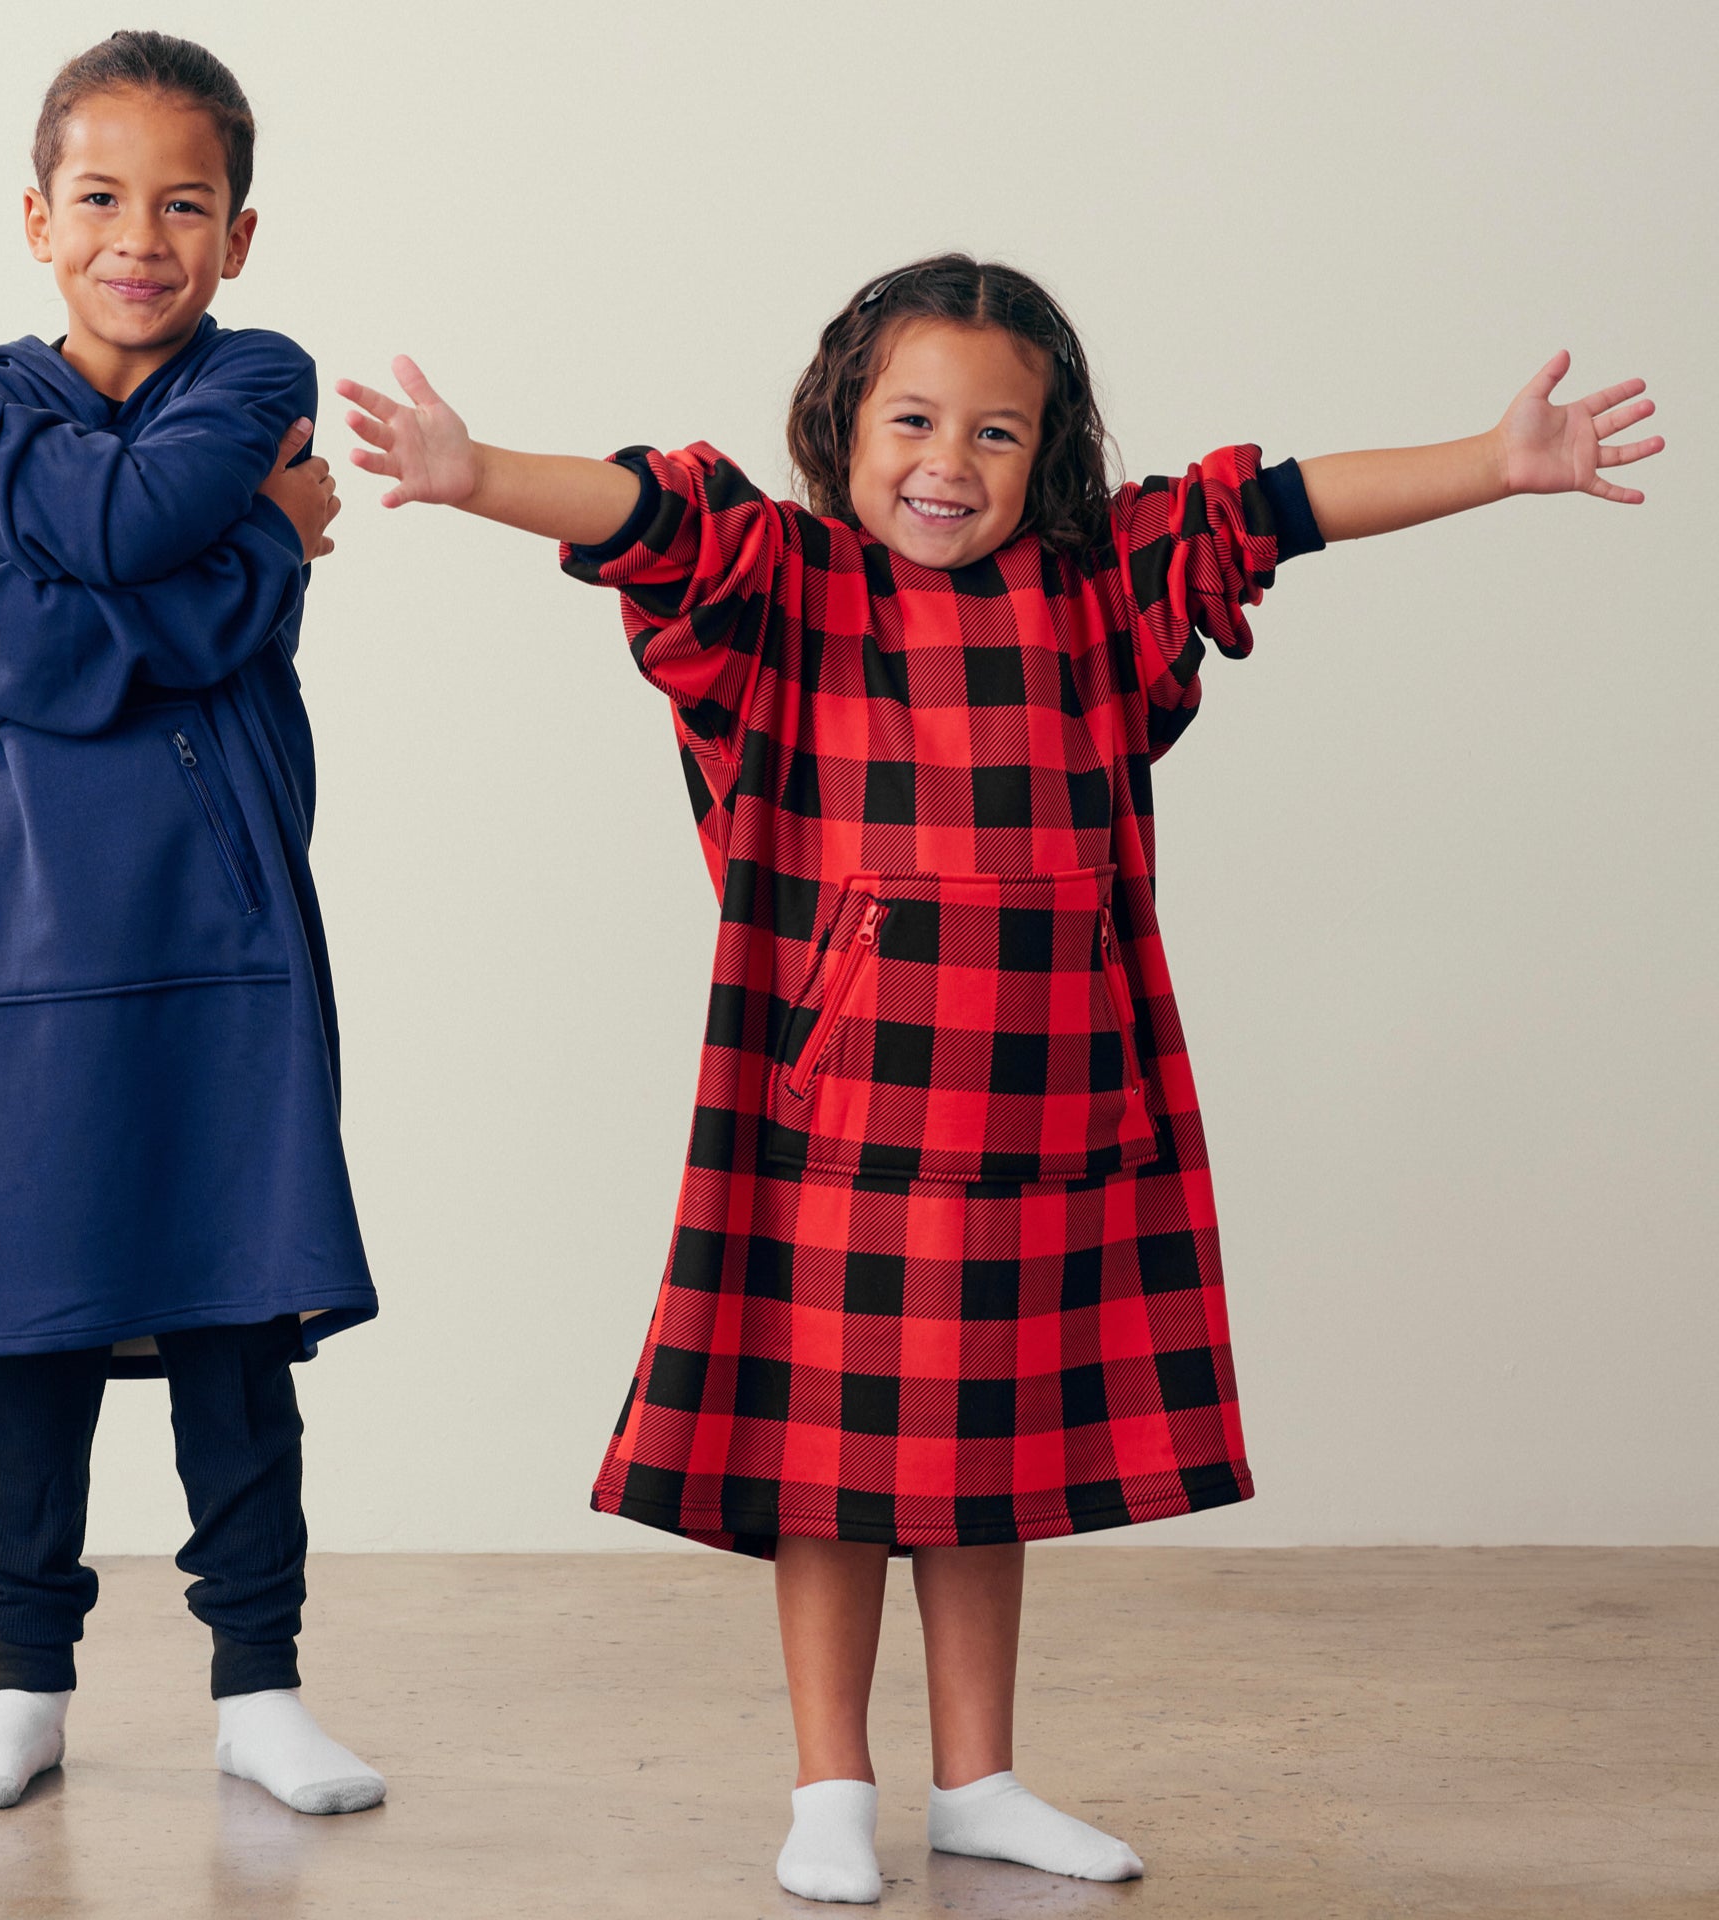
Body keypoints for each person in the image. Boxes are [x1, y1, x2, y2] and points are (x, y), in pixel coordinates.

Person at [337, 252, 1659, 1900]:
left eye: (999, 434)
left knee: (988, 1468)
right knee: (823, 1477)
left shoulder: (1102, 597)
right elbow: (646, 517)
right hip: (839, 1127)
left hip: (1047, 1119)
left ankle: (982, 1780)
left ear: (1053, 456)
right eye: (911, 420)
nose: (949, 463)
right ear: (843, 423)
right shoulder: (791, 591)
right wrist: (473, 481)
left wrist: (1494, 460)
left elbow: (1274, 511)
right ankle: (831, 1785)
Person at [0, 31, 383, 1817]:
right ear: (37, 215)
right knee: (33, 1326)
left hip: (219, 927)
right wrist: (265, 558)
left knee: (236, 1312)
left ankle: (261, 1682)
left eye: (186, 203)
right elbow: (6, 650)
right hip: (11, 948)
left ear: (240, 234)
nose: (141, 237)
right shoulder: (6, 403)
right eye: (101, 198)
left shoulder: (251, 376)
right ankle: (21, 1680)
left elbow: (135, 513)